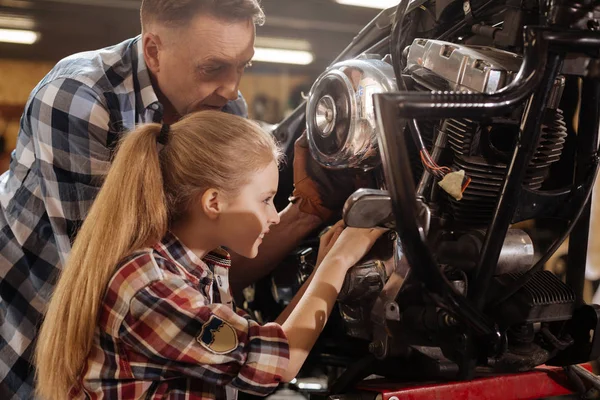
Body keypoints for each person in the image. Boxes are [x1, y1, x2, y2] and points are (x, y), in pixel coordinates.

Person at [0, 1, 342, 398]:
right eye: (213, 68)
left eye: (243, 65)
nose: (233, 89)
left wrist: (308, 214)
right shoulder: (79, 97)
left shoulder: (223, 106)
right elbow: (105, 282)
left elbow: (211, 264)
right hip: (24, 326)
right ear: (153, 51)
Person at [33, 111, 383, 399]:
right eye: (265, 200)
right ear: (213, 201)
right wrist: (339, 262)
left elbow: (264, 343)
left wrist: (321, 268)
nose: (274, 216)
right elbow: (279, 363)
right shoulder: (152, 288)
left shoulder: (198, 267)